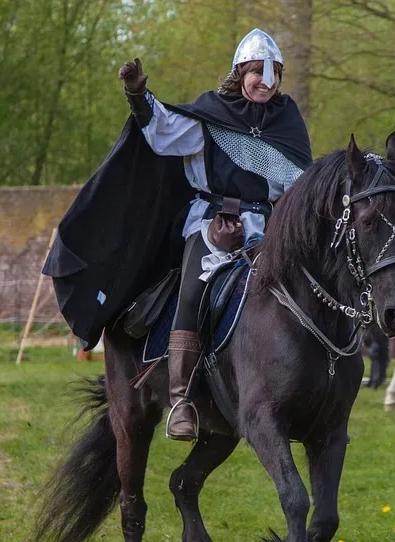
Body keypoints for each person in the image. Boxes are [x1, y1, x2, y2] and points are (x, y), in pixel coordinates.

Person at [48, 28, 311, 441]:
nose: (266, 81)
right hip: (212, 223)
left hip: (268, 230)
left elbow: (300, 187)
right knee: (194, 288)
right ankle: (182, 398)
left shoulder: (287, 122)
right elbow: (164, 129)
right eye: (257, 71)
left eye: (273, 72)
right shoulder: (213, 115)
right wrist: (138, 96)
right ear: (240, 72)